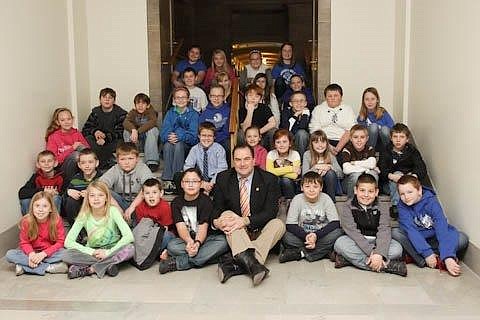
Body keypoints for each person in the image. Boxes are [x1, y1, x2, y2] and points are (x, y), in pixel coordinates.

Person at [213, 144, 285, 286]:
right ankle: (254, 266)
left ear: (254, 160)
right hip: (237, 232)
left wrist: (245, 220)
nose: (242, 163)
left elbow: (271, 212)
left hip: (259, 229)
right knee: (226, 214)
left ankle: (234, 265)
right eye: (238, 160)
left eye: (246, 159)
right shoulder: (223, 178)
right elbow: (217, 208)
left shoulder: (269, 179)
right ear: (233, 162)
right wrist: (217, 222)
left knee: (279, 224)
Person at [392, 175, 469, 276]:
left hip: (435, 239)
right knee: (396, 232)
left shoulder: (431, 201)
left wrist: (447, 256)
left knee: (462, 238)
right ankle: (425, 259)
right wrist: (427, 253)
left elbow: (441, 226)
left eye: (410, 192)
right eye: (402, 194)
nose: (406, 197)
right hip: (417, 240)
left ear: (419, 190)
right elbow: (411, 231)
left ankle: (444, 257)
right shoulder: (402, 206)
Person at [333, 173, 407, 277]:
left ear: (376, 192)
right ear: (355, 190)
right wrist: (372, 253)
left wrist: (379, 252)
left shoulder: (382, 206)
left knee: (397, 249)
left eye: (371, 191)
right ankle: (387, 265)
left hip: (376, 240)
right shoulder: (347, 206)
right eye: (362, 190)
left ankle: (350, 260)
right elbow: (353, 232)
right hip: (356, 241)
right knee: (339, 243)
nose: (366, 195)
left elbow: (384, 230)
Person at [159, 168, 229, 274]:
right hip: (186, 241)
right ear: (182, 184)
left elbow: (203, 227)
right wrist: (190, 242)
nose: (190, 185)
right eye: (187, 181)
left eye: (195, 181)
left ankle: (178, 263)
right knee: (172, 246)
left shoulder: (206, 201)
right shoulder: (176, 203)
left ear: (201, 184)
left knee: (223, 242)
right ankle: (213, 258)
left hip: (205, 240)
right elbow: (180, 226)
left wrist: (197, 243)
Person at [63, 181, 135, 279]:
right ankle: (108, 265)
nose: (96, 199)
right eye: (92, 195)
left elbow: (129, 236)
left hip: (112, 250)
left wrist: (108, 253)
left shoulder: (113, 211)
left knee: (130, 249)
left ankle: (90, 269)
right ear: (87, 198)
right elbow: (68, 242)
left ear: (106, 198)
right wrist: (91, 252)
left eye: (100, 195)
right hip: (93, 252)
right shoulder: (84, 214)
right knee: (66, 255)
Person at [279, 171, 343, 263]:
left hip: (321, 236)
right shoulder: (297, 199)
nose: (311, 190)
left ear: (321, 188)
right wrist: (306, 236)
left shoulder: (326, 198)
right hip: (303, 237)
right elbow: (290, 225)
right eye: (307, 186)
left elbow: (335, 223)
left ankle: (301, 253)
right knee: (286, 236)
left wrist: (316, 236)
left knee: (339, 232)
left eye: (315, 187)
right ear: (301, 188)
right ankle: (324, 252)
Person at [6, 192, 67, 276]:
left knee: (66, 254)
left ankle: (24, 267)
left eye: (45, 206)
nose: (40, 209)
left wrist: (43, 254)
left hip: (48, 253)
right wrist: (31, 254)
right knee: (10, 254)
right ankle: (48, 268)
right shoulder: (26, 221)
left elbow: (60, 242)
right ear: (32, 207)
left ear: (51, 209)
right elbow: (24, 242)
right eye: (37, 206)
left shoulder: (56, 220)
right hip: (31, 252)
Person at [378, 123, 429, 216]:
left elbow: (421, 168)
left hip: (407, 184)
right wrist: (392, 176)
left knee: (404, 178)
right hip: (389, 185)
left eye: (401, 137)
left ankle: (400, 206)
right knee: (397, 174)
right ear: (391, 138)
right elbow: (381, 169)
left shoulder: (412, 151)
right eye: (395, 136)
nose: (398, 140)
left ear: (407, 139)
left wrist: (411, 176)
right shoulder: (386, 150)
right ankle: (396, 205)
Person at [99, 142, 154, 222]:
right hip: (121, 201)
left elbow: (149, 187)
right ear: (117, 160)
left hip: (139, 202)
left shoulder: (142, 168)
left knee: (149, 190)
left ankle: (135, 225)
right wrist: (118, 208)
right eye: (122, 159)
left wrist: (132, 207)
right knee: (102, 190)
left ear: (137, 159)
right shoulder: (115, 169)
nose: (127, 162)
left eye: (130, 159)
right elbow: (100, 185)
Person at [160, 87, 199, 194]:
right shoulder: (170, 113)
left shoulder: (193, 114)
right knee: (167, 145)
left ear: (188, 99)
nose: (181, 100)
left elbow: (193, 136)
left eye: (183, 97)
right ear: (174, 100)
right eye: (178, 97)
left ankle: (177, 178)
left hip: (187, 145)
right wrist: (169, 136)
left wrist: (179, 136)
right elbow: (163, 132)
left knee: (178, 145)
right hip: (171, 144)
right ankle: (167, 179)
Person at [82, 88, 127, 170]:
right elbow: (85, 129)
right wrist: (95, 132)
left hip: (113, 140)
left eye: (110, 98)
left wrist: (105, 138)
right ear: (100, 100)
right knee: (88, 139)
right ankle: (107, 160)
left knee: (120, 142)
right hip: (97, 141)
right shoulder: (95, 112)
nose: (107, 99)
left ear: (114, 100)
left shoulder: (121, 113)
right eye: (104, 97)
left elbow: (120, 132)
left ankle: (103, 163)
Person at [182, 122, 228, 195]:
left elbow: (222, 168)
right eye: (203, 135)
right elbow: (188, 167)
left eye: (210, 136)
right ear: (199, 136)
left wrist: (211, 184)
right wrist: (201, 183)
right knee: (179, 176)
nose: (206, 138)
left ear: (214, 137)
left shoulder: (219, 149)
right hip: (199, 180)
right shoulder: (194, 149)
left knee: (224, 179)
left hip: (214, 180)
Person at [309, 83, 356, 157]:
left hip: (342, 141)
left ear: (341, 97)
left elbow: (350, 130)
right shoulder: (318, 109)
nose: (333, 98)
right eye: (330, 96)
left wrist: (338, 148)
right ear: (325, 97)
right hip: (323, 141)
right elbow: (315, 131)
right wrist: (328, 146)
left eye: (336, 95)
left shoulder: (348, 109)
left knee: (344, 161)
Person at [46, 107, 89, 184]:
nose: (66, 122)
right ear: (58, 122)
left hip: (79, 166)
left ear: (72, 119)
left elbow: (89, 151)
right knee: (76, 155)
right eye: (62, 120)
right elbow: (54, 161)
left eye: (68, 119)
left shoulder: (77, 133)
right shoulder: (53, 137)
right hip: (62, 169)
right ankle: (72, 183)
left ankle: (90, 177)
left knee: (83, 150)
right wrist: (72, 148)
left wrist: (80, 146)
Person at [132, 178, 175, 253]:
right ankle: (148, 252)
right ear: (143, 195)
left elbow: (165, 228)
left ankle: (152, 253)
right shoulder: (140, 207)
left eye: (154, 192)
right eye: (147, 193)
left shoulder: (165, 207)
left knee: (167, 236)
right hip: (146, 233)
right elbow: (141, 228)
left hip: (160, 233)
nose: (151, 196)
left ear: (161, 193)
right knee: (134, 235)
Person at [302, 130, 343, 202]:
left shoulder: (330, 155)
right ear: (311, 144)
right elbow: (304, 175)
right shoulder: (307, 154)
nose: (320, 145)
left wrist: (329, 167)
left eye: (323, 142)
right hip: (314, 186)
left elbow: (340, 174)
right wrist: (316, 167)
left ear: (327, 144)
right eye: (316, 142)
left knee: (330, 173)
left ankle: (331, 201)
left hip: (330, 187)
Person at [63, 148, 101, 226]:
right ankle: (77, 230)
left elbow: (107, 194)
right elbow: (64, 196)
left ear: (96, 163)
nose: (87, 166)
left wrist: (90, 194)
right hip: (79, 210)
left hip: (95, 210)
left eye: (90, 162)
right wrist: (68, 192)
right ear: (79, 165)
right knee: (70, 200)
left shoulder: (102, 178)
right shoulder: (76, 178)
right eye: (83, 163)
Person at [123, 93, 160, 172]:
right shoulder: (133, 113)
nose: (140, 106)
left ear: (148, 105)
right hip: (136, 142)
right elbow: (125, 122)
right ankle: (130, 157)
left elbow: (152, 122)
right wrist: (133, 130)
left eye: (143, 103)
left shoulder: (151, 112)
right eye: (138, 103)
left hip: (149, 143)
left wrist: (137, 131)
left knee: (153, 130)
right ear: (135, 105)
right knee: (126, 131)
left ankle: (152, 162)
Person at [18, 150, 63, 215]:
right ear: (38, 164)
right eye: (43, 161)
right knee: (25, 201)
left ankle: (53, 223)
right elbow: (22, 192)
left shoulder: (61, 176)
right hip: (40, 204)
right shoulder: (36, 176)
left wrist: (56, 192)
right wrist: (44, 190)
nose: (46, 164)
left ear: (55, 163)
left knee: (56, 198)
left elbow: (66, 192)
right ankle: (30, 223)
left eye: (49, 161)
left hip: (54, 204)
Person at [340, 124, 379, 198]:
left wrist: (354, 163)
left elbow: (372, 164)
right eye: (355, 137)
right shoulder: (347, 150)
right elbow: (346, 169)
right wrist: (366, 169)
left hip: (364, 182)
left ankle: (372, 200)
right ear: (351, 138)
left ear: (367, 138)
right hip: (348, 184)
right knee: (356, 175)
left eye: (362, 137)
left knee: (373, 174)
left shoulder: (370, 149)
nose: (359, 140)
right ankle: (351, 203)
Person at [239, 84, 277, 149]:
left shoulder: (264, 107)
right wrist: (250, 112)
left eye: (257, 96)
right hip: (249, 139)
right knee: (240, 134)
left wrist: (258, 133)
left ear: (260, 98)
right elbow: (245, 129)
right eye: (250, 95)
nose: (253, 98)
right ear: (246, 97)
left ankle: (273, 156)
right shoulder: (241, 110)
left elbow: (273, 123)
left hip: (263, 137)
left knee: (273, 131)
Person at [266, 129, 301, 200]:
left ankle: (290, 201)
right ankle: (277, 201)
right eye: (278, 142)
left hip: (291, 185)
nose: (281, 145)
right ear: (274, 144)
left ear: (290, 143)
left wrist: (276, 171)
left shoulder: (295, 154)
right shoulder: (271, 154)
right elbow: (269, 172)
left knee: (285, 180)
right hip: (276, 185)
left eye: (284, 142)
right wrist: (291, 168)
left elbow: (294, 176)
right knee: (276, 179)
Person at [199, 85, 231, 160]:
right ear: (209, 97)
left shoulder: (228, 111)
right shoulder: (205, 113)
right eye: (213, 96)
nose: (216, 98)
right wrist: (209, 140)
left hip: (223, 140)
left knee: (228, 144)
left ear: (223, 97)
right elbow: (201, 129)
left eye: (219, 96)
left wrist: (215, 140)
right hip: (207, 139)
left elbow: (227, 131)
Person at [280, 91, 310, 158]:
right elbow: (286, 129)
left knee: (301, 133)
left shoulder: (308, 112)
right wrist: (296, 115)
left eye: (301, 101)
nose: (299, 103)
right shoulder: (286, 112)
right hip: (289, 138)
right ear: (290, 103)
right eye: (295, 101)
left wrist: (304, 115)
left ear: (305, 103)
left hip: (304, 141)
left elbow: (303, 127)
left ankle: (301, 160)